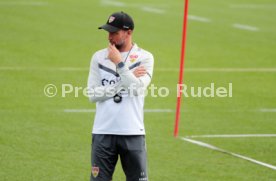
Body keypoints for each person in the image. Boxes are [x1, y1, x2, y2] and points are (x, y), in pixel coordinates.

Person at [87, 11, 154, 181]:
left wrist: (119, 63)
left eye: (114, 33)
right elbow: (93, 94)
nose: (110, 37)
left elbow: (137, 89)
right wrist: (126, 78)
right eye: (108, 32)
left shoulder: (145, 58)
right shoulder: (98, 57)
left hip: (133, 132)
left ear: (129, 32)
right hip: (103, 132)